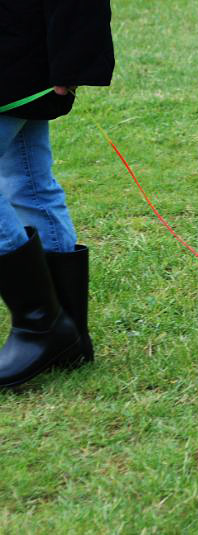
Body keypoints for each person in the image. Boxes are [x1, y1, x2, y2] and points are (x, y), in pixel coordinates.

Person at [0, 1, 115, 387]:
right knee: (30, 183)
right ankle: (67, 336)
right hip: (18, 53)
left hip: (22, 58)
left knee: (29, 182)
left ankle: (41, 326)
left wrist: (72, 65)